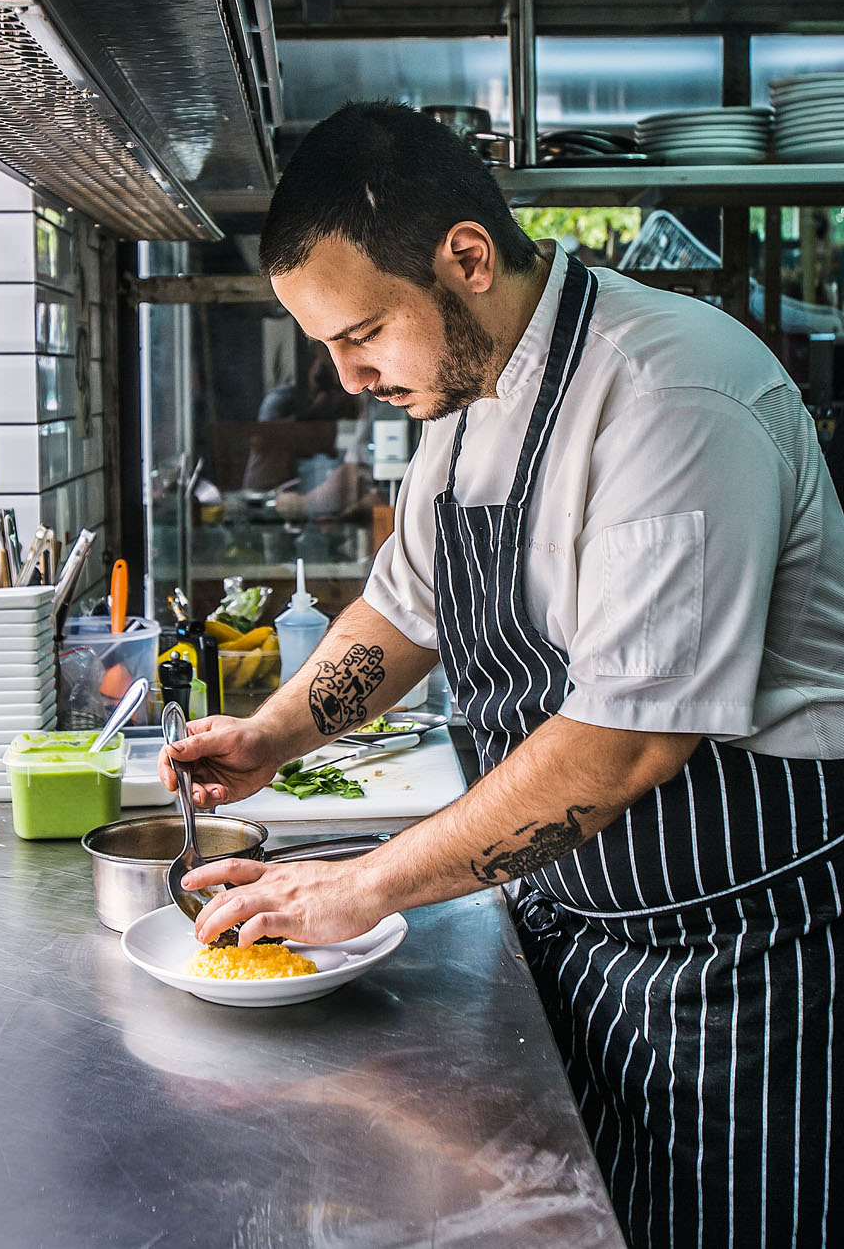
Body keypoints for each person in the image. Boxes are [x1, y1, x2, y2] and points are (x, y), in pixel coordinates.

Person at [159, 101, 844, 1249]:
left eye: (362, 330)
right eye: (327, 344)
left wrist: (358, 886)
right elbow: (401, 611)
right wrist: (271, 735)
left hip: (745, 963)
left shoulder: (670, 392)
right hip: (581, 922)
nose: (343, 374)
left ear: (466, 259)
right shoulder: (468, 403)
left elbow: (627, 739)